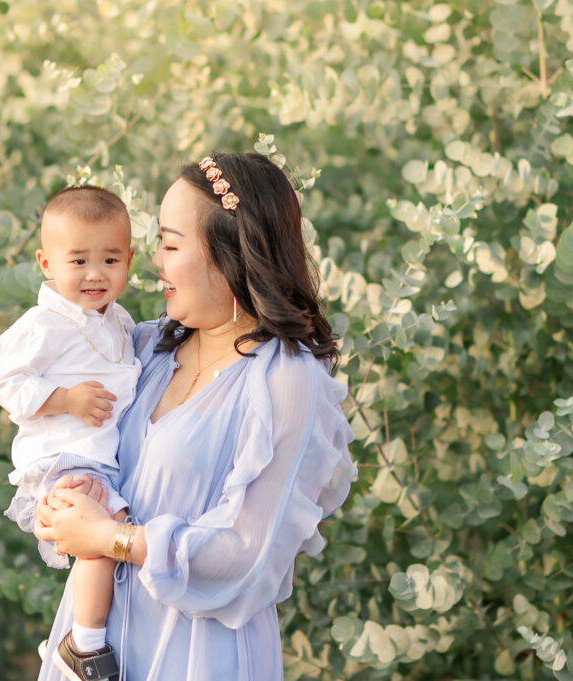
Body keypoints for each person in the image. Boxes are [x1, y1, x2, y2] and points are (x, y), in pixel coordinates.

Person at [33, 152, 357, 681]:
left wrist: (109, 540)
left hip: (197, 652)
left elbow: (247, 557)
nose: (154, 261)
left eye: (170, 242)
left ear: (230, 256)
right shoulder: (142, 347)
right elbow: (52, 419)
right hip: (93, 641)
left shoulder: (285, 381)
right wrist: (60, 501)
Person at [0, 186, 140, 681]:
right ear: (46, 263)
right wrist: (67, 399)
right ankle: (85, 643)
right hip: (61, 456)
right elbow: (9, 386)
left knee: (105, 537)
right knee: (106, 531)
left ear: (130, 260)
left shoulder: (119, 321)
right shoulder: (43, 324)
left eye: (110, 259)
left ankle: (87, 635)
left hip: (94, 457)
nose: (95, 274)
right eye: (78, 260)